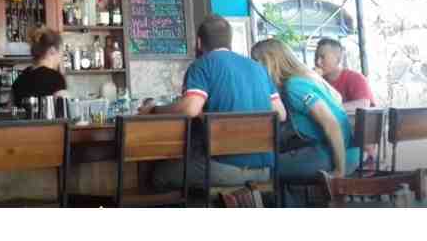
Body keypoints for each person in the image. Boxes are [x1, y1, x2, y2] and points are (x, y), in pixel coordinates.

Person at [139, 15, 287, 190]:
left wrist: (154, 109)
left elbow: (190, 109)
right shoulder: (259, 68)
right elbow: (281, 114)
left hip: (225, 169)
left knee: (159, 174)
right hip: (264, 171)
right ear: (230, 41)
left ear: (199, 42)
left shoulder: (202, 65)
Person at [251, 39, 359, 183]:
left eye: (256, 63)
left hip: (334, 157)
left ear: (270, 62)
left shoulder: (294, 86)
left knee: (263, 169)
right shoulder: (306, 78)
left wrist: (339, 170)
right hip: (347, 153)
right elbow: (337, 98)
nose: (254, 69)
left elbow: (331, 124)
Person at [11, 26, 68, 106]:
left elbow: (10, 108)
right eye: (61, 52)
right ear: (52, 50)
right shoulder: (56, 78)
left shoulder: (20, 78)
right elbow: (62, 110)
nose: (61, 57)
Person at [315, 38, 375, 112]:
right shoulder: (316, 80)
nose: (318, 62)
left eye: (322, 57)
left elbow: (363, 104)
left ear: (338, 59)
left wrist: (330, 108)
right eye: (316, 57)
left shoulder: (355, 78)